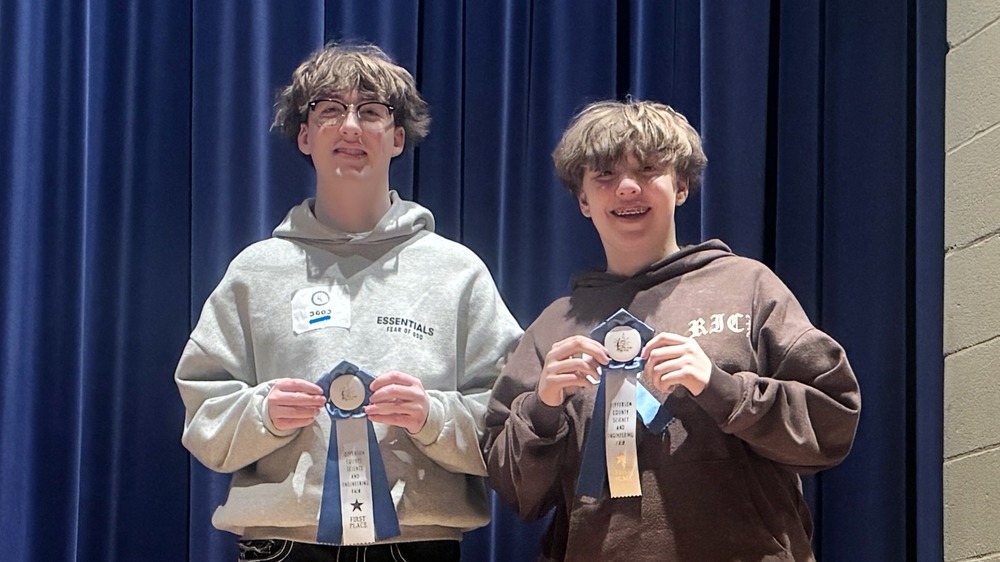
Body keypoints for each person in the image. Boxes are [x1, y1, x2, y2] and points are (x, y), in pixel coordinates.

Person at [176, 43, 522, 562]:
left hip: (417, 546)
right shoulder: (255, 271)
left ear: (398, 137)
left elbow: (508, 416)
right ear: (305, 135)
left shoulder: (457, 272)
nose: (351, 127)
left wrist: (432, 416)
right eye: (331, 110)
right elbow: (204, 410)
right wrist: (264, 413)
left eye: (372, 111)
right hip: (283, 547)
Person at [483, 99, 861, 562]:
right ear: (583, 200)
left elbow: (833, 424)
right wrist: (542, 410)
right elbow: (516, 492)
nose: (627, 187)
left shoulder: (748, 286)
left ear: (680, 186)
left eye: (647, 170)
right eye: (604, 175)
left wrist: (723, 390)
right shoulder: (553, 328)